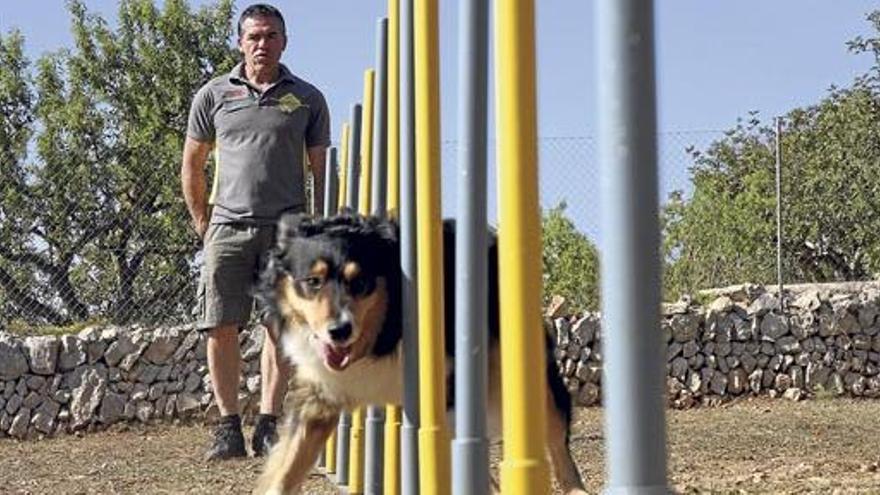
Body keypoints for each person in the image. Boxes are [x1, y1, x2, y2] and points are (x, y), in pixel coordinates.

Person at [181, 3, 330, 460]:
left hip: (287, 231)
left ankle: (267, 424)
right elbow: (193, 164)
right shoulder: (213, 95)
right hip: (226, 227)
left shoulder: (307, 98)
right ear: (239, 42)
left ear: (284, 42)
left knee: (279, 328)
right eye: (253, 36)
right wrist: (204, 223)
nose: (261, 44)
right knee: (219, 325)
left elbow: (321, 170)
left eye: (270, 36)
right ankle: (228, 429)